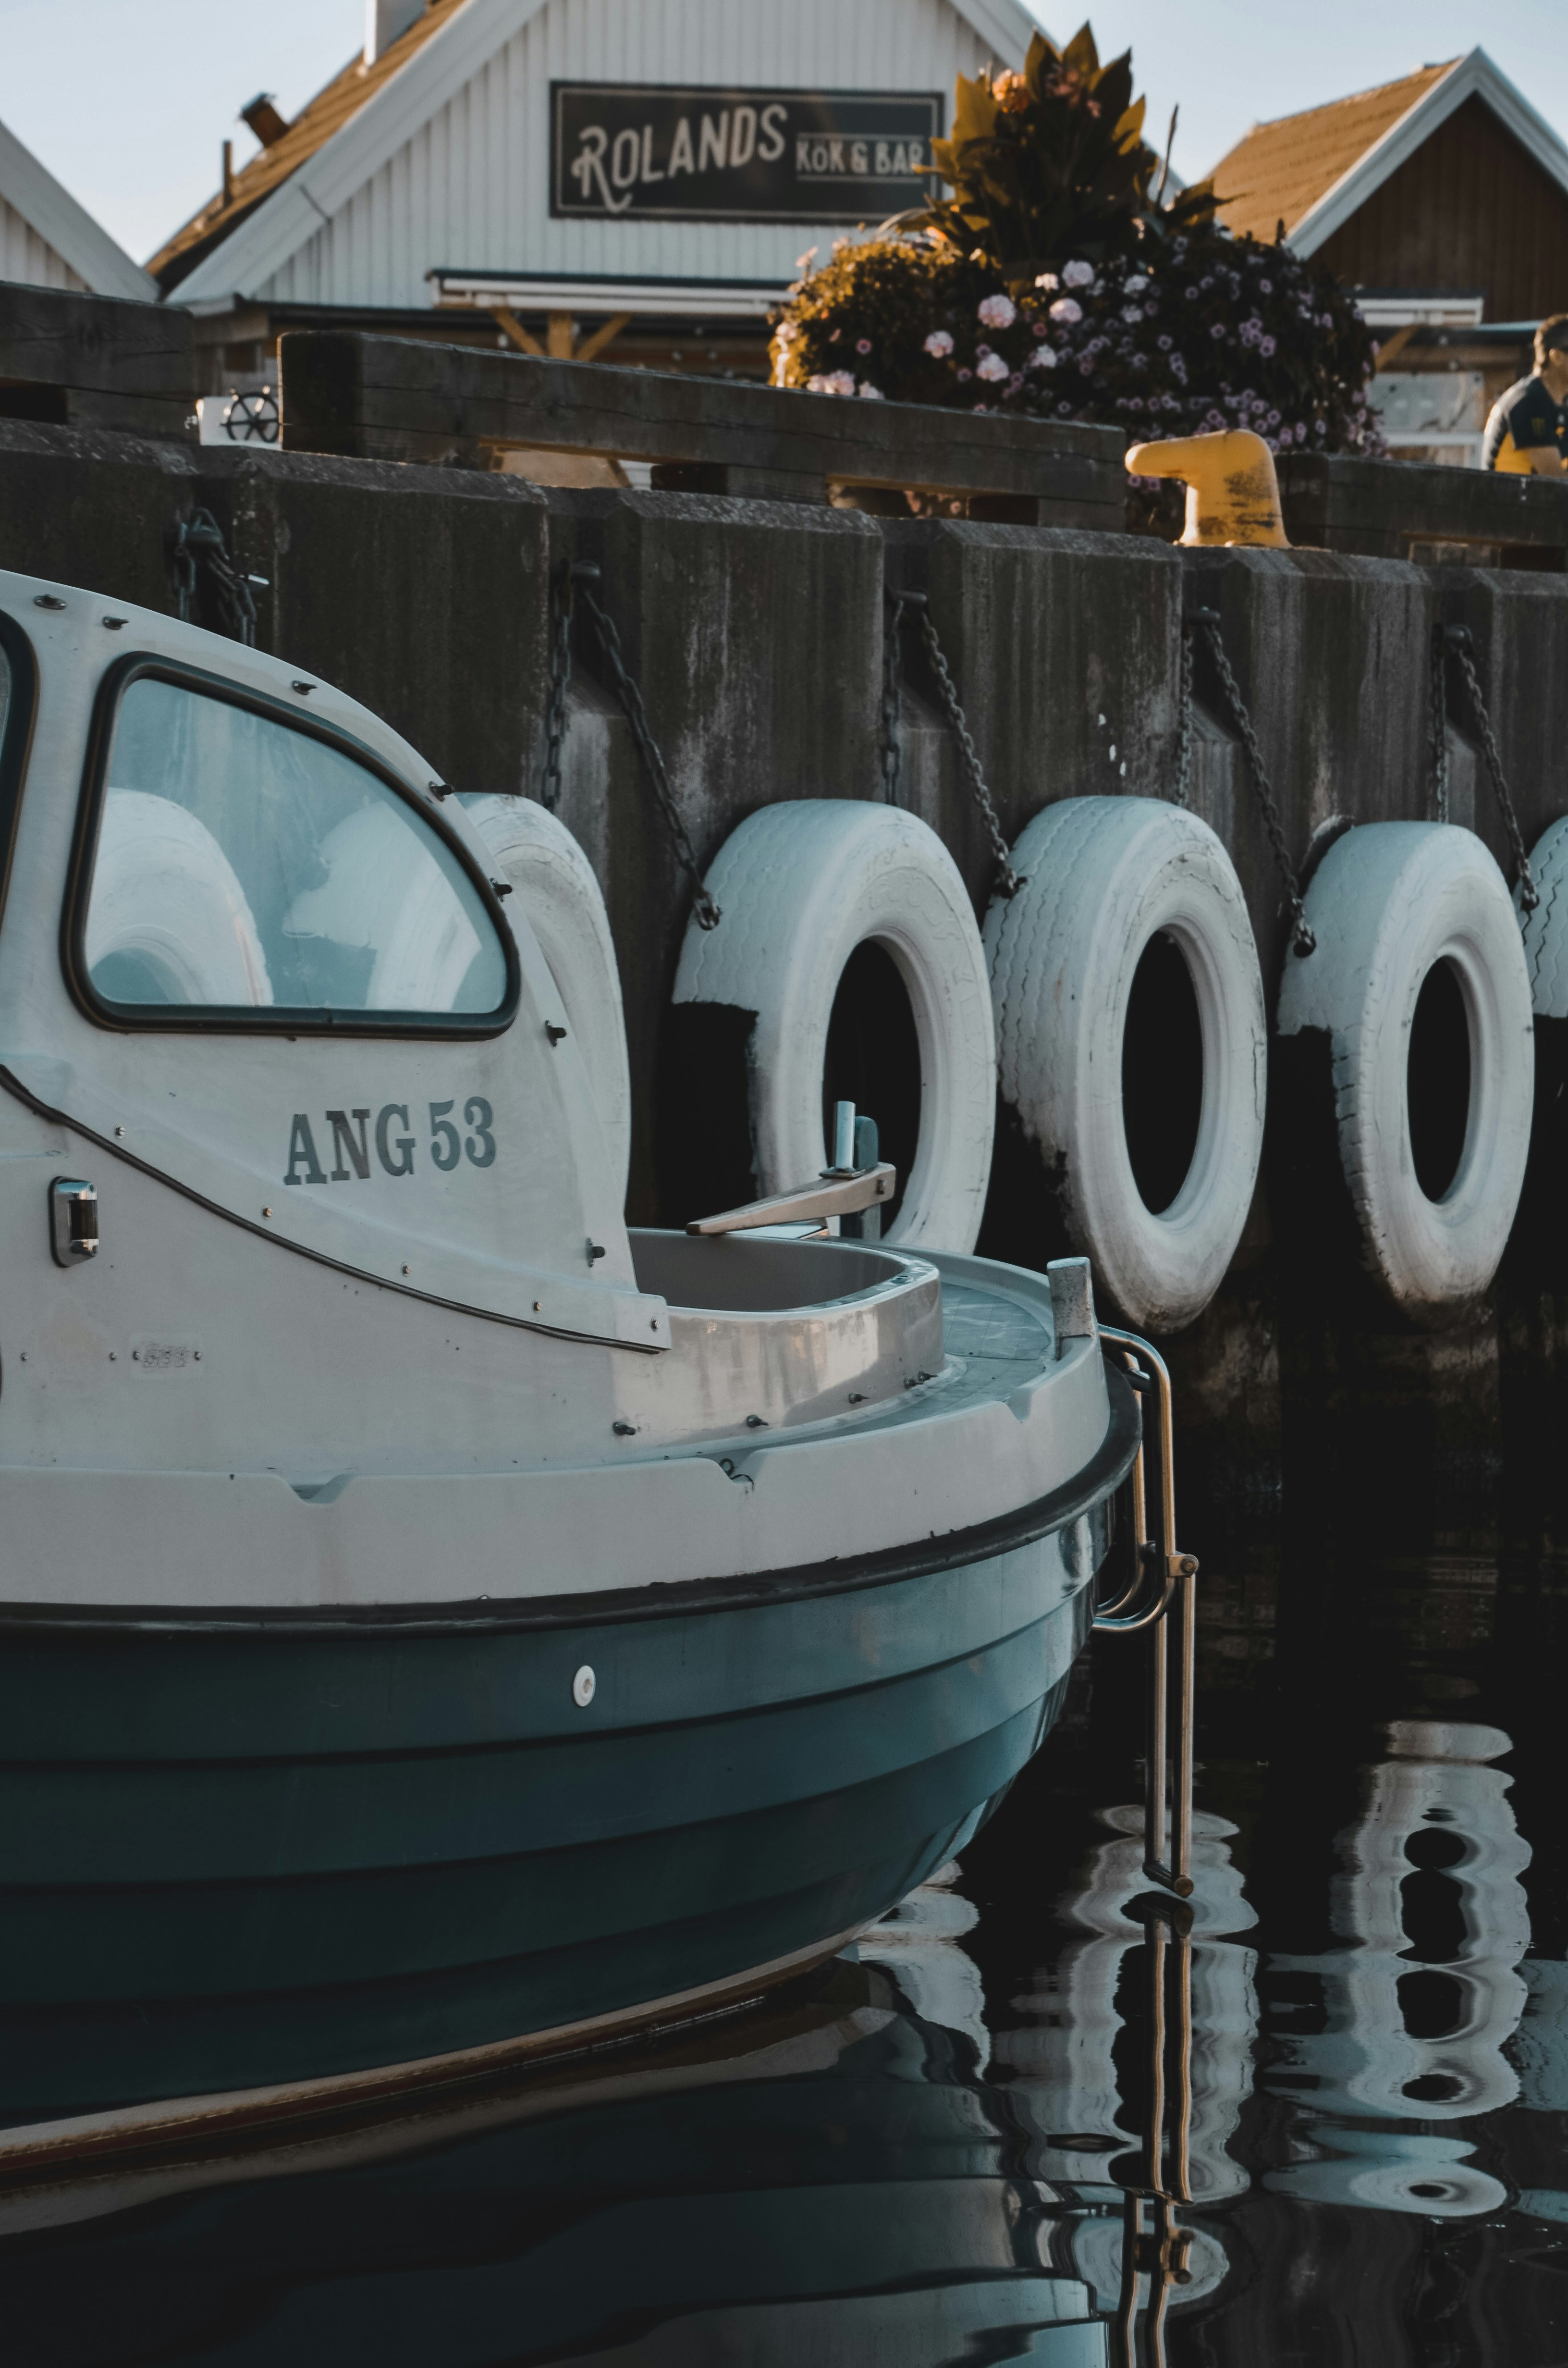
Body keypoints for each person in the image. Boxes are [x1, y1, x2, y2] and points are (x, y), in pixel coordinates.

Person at [1482, 316, 1568, 473]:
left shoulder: (1560, 401)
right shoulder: (1529, 400)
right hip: (1507, 497)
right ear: (1557, 357)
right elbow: (1554, 479)